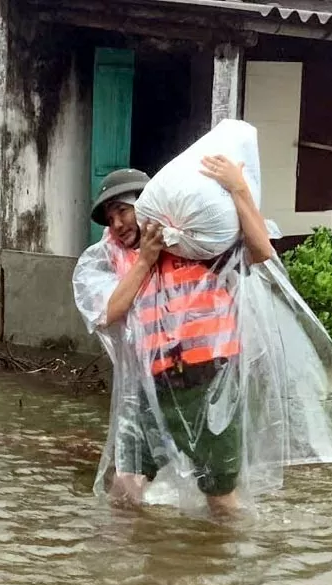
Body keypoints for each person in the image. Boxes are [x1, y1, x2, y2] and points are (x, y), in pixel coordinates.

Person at [73, 157, 274, 517]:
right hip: (154, 391)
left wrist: (239, 189)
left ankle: (227, 568)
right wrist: (144, 260)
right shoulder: (110, 259)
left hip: (212, 388)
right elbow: (107, 313)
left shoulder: (196, 243)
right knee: (125, 486)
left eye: (123, 211)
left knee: (221, 501)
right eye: (110, 218)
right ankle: (126, 570)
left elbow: (261, 251)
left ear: (149, 204)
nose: (117, 224)